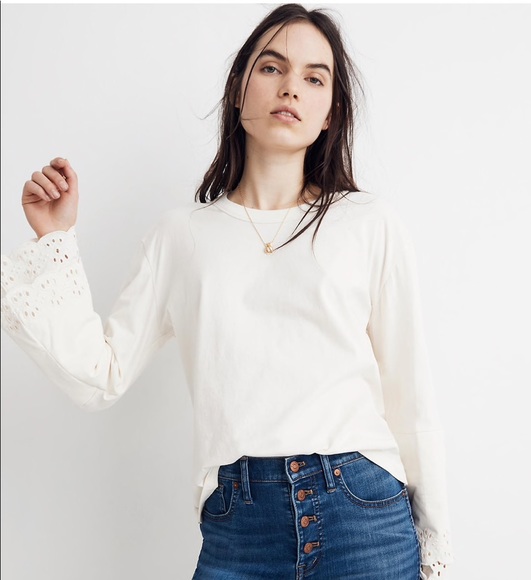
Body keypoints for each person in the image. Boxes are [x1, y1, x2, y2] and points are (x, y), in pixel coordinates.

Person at [1, 4, 453, 579]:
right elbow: (100, 377)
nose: (291, 88)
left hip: (362, 514)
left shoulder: (366, 223)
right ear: (239, 89)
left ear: (331, 114)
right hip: (239, 528)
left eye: (314, 78)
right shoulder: (183, 236)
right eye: (272, 68)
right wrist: (54, 240)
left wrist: (435, 541)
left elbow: (410, 395)